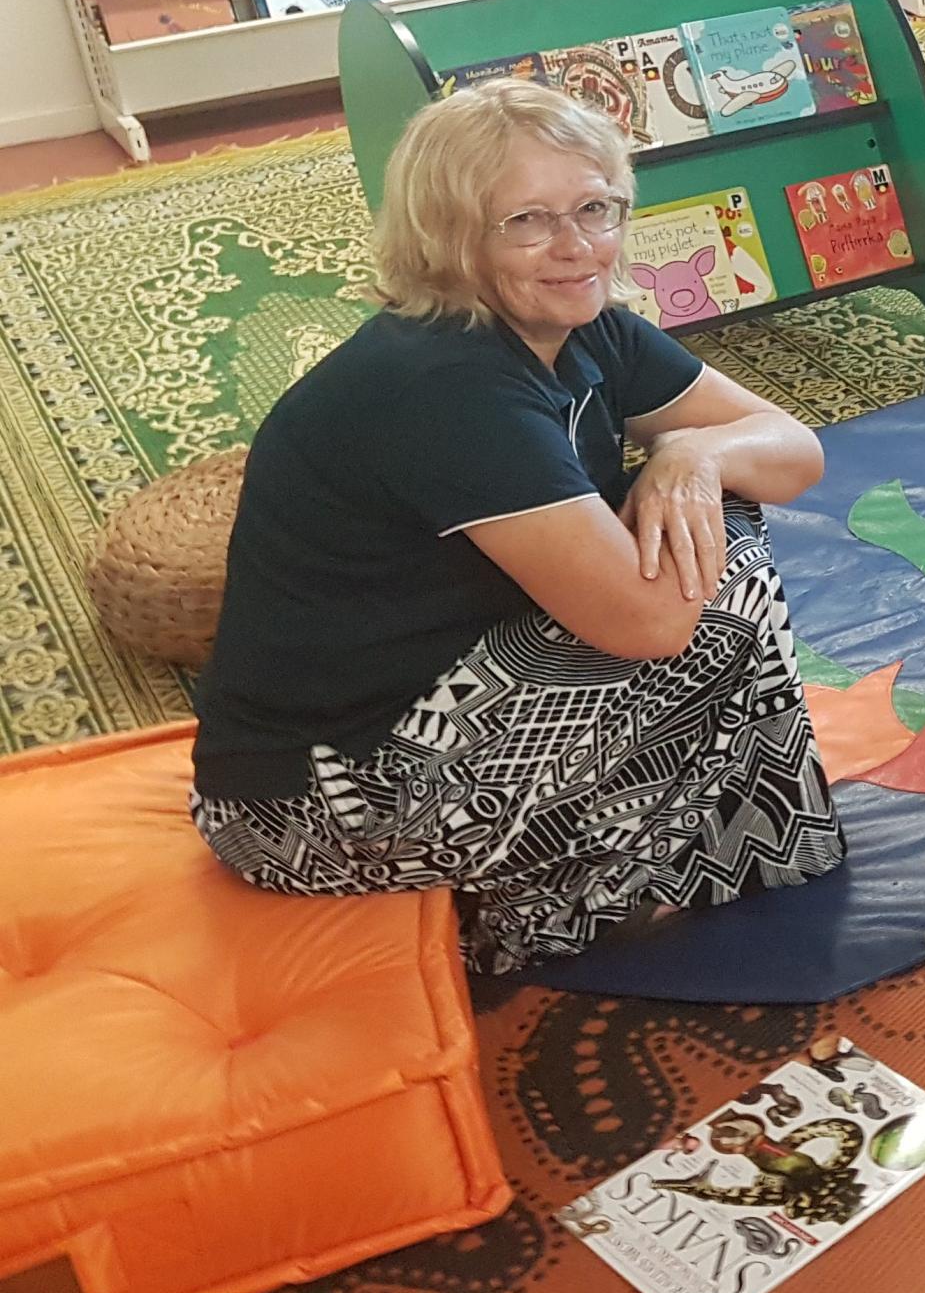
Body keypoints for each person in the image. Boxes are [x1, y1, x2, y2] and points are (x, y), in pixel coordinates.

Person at [189, 81, 843, 974]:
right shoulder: (446, 385)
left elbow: (793, 451)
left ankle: (714, 845)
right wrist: (695, 479)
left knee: (711, 507)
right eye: (527, 221)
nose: (577, 247)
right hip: (309, 806)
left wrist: (691, 455)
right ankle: (553, 903)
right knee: (712, 586)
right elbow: (650, 626)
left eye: (594, 208)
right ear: (450, 238)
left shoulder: (589, 329)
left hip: (426, 709)